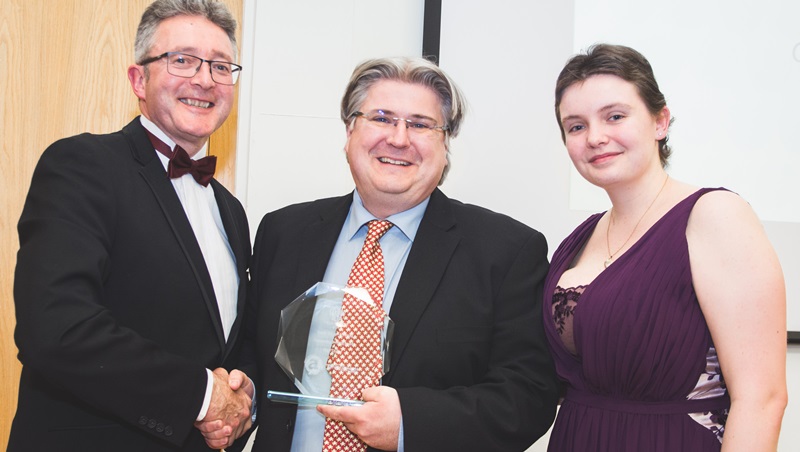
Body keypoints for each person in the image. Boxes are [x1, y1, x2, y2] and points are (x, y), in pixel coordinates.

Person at [234, 56, 559, 452]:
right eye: (382, 118)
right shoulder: (283, 232)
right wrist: (239, 394)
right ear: (350, 130)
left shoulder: (505, 251)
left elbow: (528, 396)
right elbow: (250, 349)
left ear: (444, 143)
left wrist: (411, 423)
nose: (399, 139)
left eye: (421, 124)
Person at [9, 0, 255, 450]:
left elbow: (221, 350)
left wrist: (242, 396)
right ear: (138, 79)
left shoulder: (231, 212)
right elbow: (55, 329)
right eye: (182, 60)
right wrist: (201, 397)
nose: (204, 79)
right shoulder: (82, 165)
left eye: (221, 67)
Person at [544, 43, 787, 451]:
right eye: (576, 126)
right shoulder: (580, 237)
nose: (595, 137)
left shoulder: (716, 215)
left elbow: (762, 399)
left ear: (660, 121)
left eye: (615, 116)